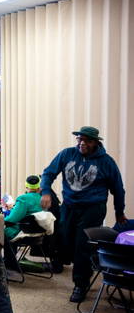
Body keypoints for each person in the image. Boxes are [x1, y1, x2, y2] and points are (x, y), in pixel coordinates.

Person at [40, 126, 127, 303]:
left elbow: (118, 189)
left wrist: (119, 212)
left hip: (92, 209)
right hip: (69, 207)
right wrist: (46, 191)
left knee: (82, 246)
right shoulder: (67, 154)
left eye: (87, 140)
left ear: (96, 142)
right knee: (66, 241)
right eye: (79, 139)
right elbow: (48, 173)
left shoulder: (106, 162)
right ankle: (84, 267)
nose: (82, 143)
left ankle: (80, 285)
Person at [3, 175, 44, 273]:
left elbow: (12, 219)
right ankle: (10, 261)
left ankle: (9, 262)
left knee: (5, 231)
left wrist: (3, 219)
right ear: (39, 187)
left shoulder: (23, 198)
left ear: (26, 186)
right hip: (39, 234)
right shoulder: (42, 199)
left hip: (25, 232)